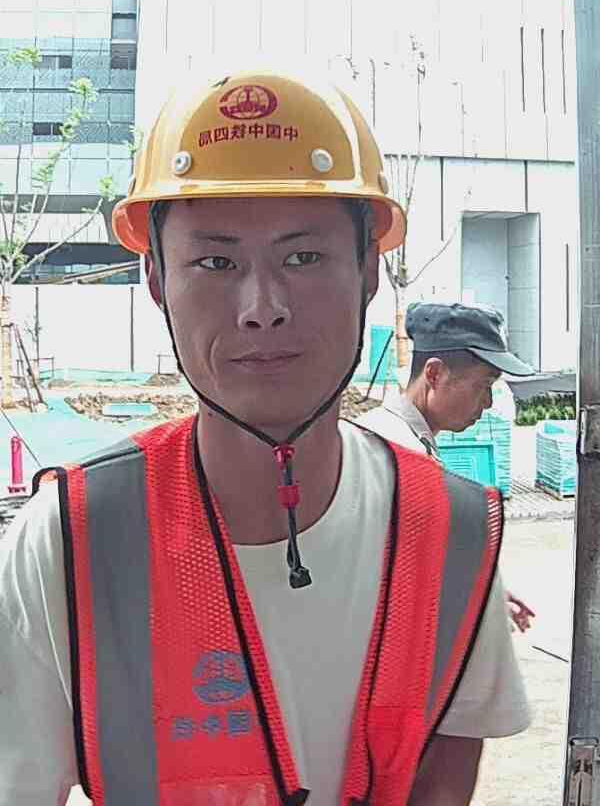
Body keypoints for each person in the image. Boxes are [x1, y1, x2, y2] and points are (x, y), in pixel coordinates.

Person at [0, 71, 530, 806]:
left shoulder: (456, 533)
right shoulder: (71, 539)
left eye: (303, 257)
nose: (263, 308)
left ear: (368, 271)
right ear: (155, 278)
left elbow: (445, 770)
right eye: (215, 262)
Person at [360, 301, 536, 633]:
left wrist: (483, 593)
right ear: (434, 374)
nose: (488, 403)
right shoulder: (387, 451)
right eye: (483, 386)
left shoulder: (412, 442)